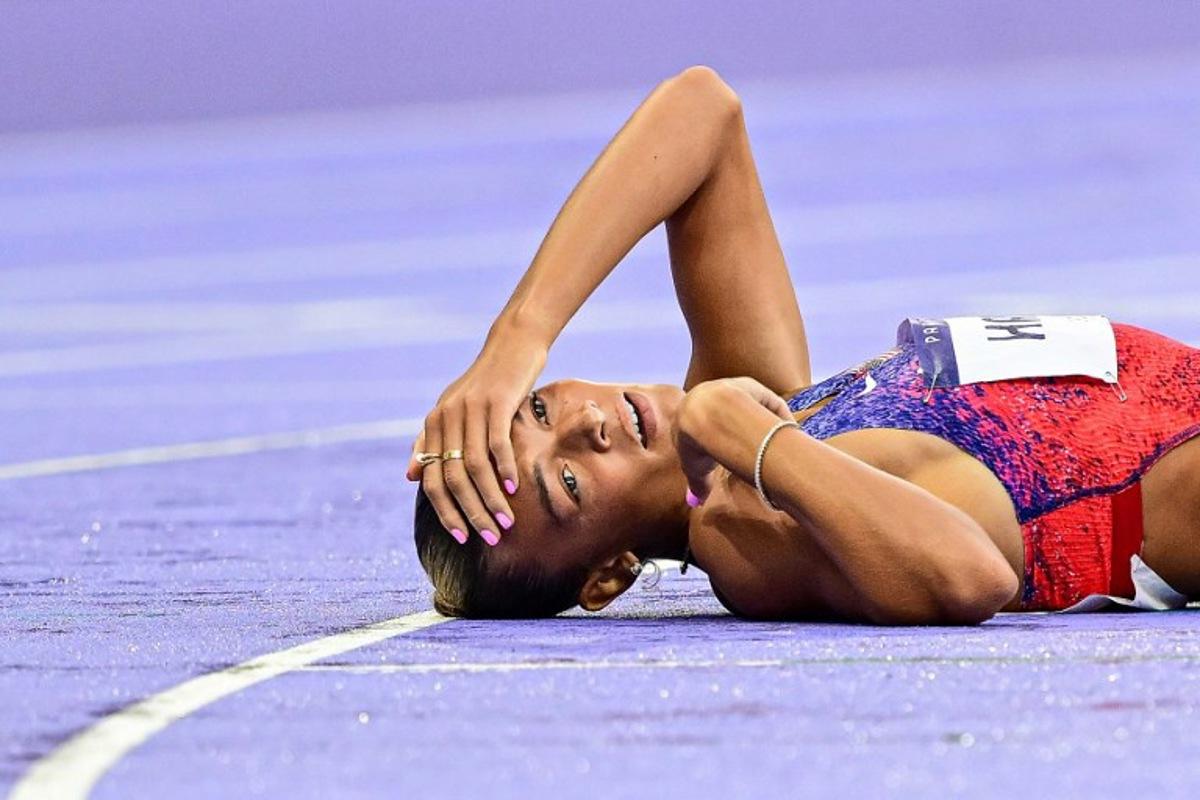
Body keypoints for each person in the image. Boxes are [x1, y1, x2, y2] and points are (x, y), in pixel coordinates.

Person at [406, 66, 1200, 624]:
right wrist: (747, 436)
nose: (587, 426)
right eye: (570, 483)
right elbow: (973, 575)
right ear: (610, 575)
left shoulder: (757, 417)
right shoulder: (743, 533)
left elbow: (702, 112)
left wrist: (516, 341)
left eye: (540, 410)